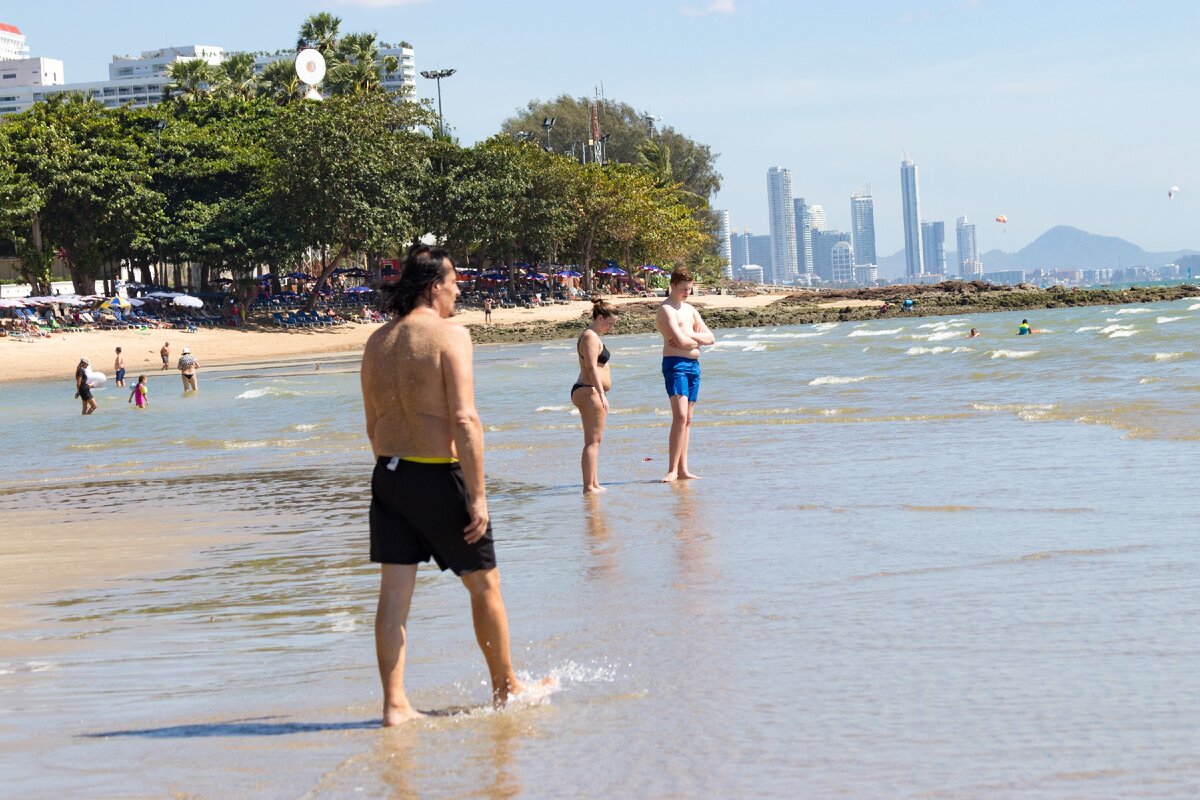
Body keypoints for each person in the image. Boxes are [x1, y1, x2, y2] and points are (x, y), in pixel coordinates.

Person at [360, 245, 550, 726]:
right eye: (454, 282)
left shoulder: (376, 343)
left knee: (393, 595)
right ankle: (507, 690)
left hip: (389, 474)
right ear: (434, 287)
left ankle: (394, 705)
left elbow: (372, 424)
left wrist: (396, 479)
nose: (459, 290)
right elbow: (465, 419)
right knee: (485, 583)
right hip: (437, 475)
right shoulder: (450, 336)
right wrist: (479, 495)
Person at [655, 268, 715, 482]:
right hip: (675, 364)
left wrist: (690, 335)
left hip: (693, 365)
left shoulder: (690, 310)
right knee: (679, 417)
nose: (686, 293)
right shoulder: (666, 309)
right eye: (683, 289)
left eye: (689, 290)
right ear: (672, 286)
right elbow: (679, 342)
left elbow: (711, 338)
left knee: (688, 419)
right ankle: (671, 469)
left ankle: (683, 469)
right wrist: (695, 338)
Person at [570, 300, 619, 494]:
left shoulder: (592, 335)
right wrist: (601, 393)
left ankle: (594, 482)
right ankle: (588, 486)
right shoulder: (590, 336)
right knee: (592, 441)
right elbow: (591, 367)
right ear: (600, 318)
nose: (612, 327)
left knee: (595, 440)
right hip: (588, 390)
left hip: (589, 390)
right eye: (610, 323)